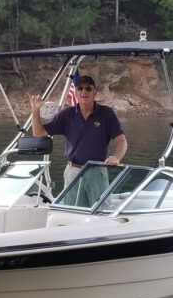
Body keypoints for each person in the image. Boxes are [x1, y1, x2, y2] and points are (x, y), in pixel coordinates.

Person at [28, 75, 127, 204]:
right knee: (73, 212)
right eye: (80, 88)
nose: (84, 92)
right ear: (76, 92)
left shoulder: (106, 114)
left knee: (101, 212)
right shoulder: (67, 115)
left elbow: (121, 141)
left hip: (96, 171)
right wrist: (35, 111)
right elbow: (39, 133)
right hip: (72, 172)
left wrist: (116, 157)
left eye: (88, 89)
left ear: (94, 92)